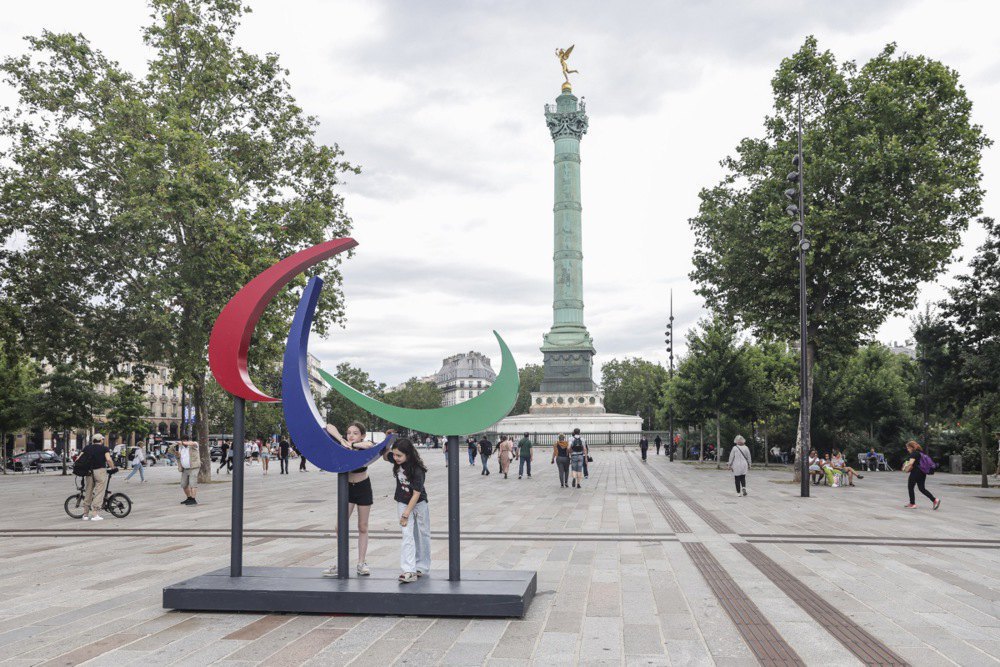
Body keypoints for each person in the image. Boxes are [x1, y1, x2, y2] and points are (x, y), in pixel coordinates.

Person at [323, 422, 377, 577]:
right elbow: (329, 426)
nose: (351, 435)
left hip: (363, 487)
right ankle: (341, 562)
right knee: (339, 526)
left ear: (362, 435)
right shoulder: (343, 445)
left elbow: (369, 445)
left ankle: (361, 563)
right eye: (349, 433)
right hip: (347, 487)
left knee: (363, 526)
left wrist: (354, 445)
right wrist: (342, 440)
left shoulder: (363, 444)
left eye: (355, 433)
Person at [384, 438, 430, 583]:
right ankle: (409, 570)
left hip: (419, 502)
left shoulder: (418, 470)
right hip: (402, 501)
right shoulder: (396, 459)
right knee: (407, 534)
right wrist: (387, 439)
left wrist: (405, 514)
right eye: (395, 455)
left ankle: (421, 567)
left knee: (422, 534)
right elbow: (385, 455)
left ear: (408, 455)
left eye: (399, 456)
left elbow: (416, 494)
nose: (395, 458)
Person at [80, 434, 117, 520]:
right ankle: (95, 514)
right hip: (100, 471)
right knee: (99, 491)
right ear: (101, 440)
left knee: (88, 491)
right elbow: (108, 459)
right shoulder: (104, 448)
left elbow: (79, 459)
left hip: (89, 472)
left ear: (93, 440)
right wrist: (113, 468)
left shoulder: (87, 448)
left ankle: (85, 515)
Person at [903, 440, 940, 510]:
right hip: (922, 473)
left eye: (908, 448)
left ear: (911, 447)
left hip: (915, 472)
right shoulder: (920, 453)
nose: (907, 449)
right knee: (922, 488)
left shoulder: (914, 454)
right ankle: (935, 500)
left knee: (910, 487)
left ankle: (912, 503)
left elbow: (910, 463)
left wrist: (905, 469)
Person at [176, 440, 200, 505]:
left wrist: (183, 443)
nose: (183, 443)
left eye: (184, 441)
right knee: (184, 484)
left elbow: (192, 443)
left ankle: (193, 499)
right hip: (185, 469)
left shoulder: (194, 445)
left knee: (193, 484)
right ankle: (189, 498)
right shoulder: (181, 448)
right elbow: (180, 457)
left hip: (193, 468)